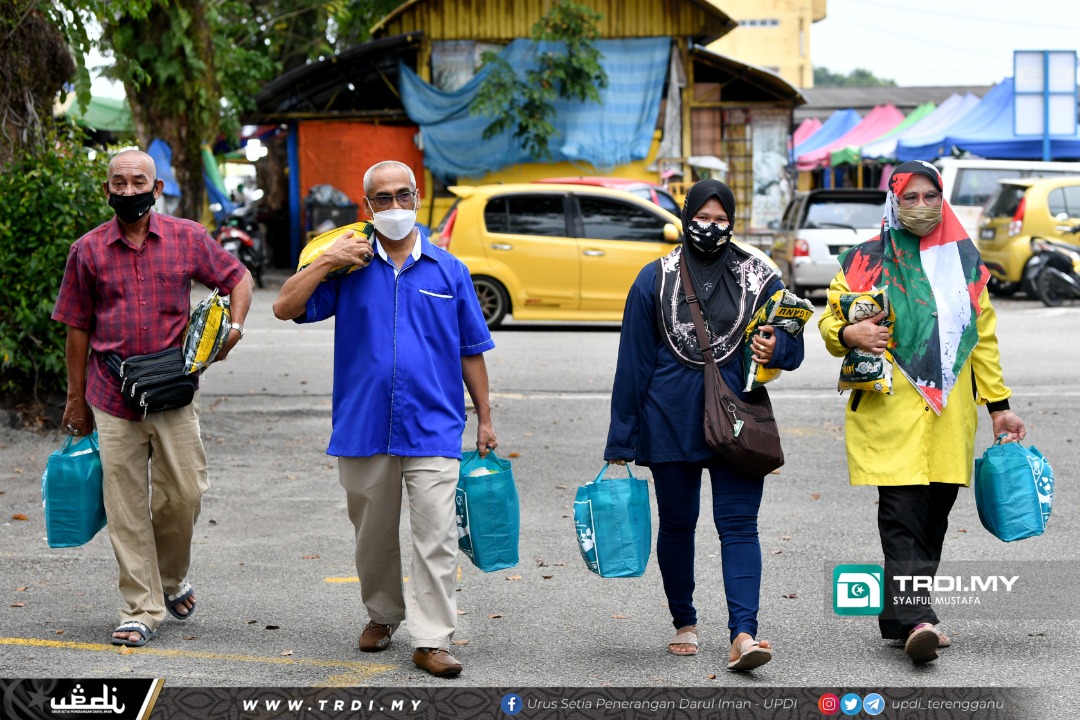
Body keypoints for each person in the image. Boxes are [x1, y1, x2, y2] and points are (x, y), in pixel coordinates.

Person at [272, 160, 497, 678]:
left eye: (402, 195)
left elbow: (471, 351)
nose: (394, 206)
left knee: (436, 536)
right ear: (367, 206)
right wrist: (326, 258)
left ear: (417, 197)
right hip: (363, 423)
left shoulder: (449, 270)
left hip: (434, 425)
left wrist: (484, 417)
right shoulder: (347, 268)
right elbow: (285, 307)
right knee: (371, 537)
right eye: (382, 199)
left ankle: (432, 638)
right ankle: (382, 614)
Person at [817, 160, 1026, 665]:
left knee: (934, 519)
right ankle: (917, 619)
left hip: (949, 416)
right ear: (894, 201)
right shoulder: (864, 261)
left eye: (931, 196)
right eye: (909, 198)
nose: (922, 206)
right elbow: (830, 319)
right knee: (902, 515)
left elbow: (984, 339)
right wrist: (849, 334)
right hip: (891, 411)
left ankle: (899, 615)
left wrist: (999, 407)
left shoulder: (965, 261)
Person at [53, 148, 253, 647]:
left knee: (183, 496)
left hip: (174, 391)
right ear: (107, 191)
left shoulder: (188, 237)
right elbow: (76, 329)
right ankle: (140, 607)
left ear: (156, 188)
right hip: (110, 393)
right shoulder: (88, 250)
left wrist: (235, 328)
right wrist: (76, 399)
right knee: (124, 506)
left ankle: (170, 577)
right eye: (118, 183)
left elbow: (238, 279)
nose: (128, 191)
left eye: (137, 182)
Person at [605, 179, 805, 670]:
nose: (710, 227)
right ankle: (684, 621)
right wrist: (621, 439)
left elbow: (794, 345)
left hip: (738, 419)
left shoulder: (759, 276)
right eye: (702, 217)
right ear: (687, 217)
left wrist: (776, 348)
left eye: (720, 219)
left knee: (739, 526)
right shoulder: (654, 278)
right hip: (668, 418)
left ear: (732, 221)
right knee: (677, 524)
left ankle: (744, 633)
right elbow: (632, 362)